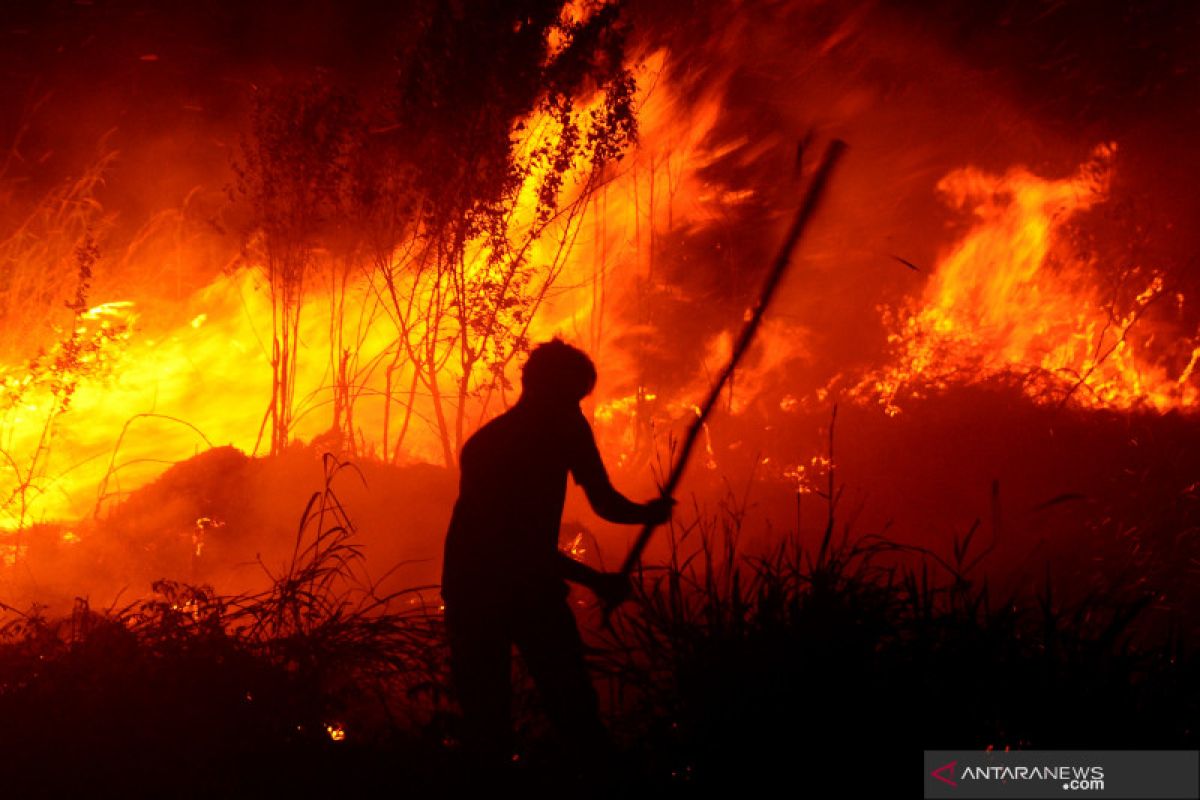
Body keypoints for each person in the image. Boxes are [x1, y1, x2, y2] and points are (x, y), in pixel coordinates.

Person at [441, 338, 674, 774]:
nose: (578, 410)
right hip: (482, 591)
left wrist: (647, 514)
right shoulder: (495, 448)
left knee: (565, 703)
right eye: (571, 398)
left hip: (517, 587)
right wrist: (597, 580)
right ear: (541, 391)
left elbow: (604, 502)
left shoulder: (557, 429)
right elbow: (514, 546)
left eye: (580, 400)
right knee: (500, 715)